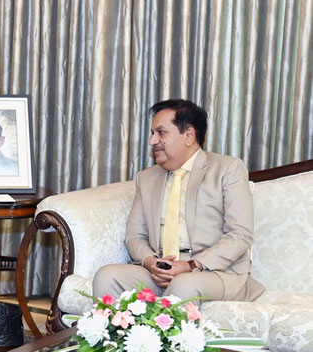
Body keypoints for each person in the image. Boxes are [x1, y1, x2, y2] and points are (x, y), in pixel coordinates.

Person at [93, 99, 264, 305]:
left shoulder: (228, 169)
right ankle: (118, 338)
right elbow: (135, 235)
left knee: (183, 285)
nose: (152, 141)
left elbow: (240, 235)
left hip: (215, 273)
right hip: (161, 274)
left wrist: (191, 265)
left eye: (161, 132)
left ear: (189, 135)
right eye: (152, 133)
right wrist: (150, 262)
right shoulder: (146, 178)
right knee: (107, 276)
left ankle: (166, 338)